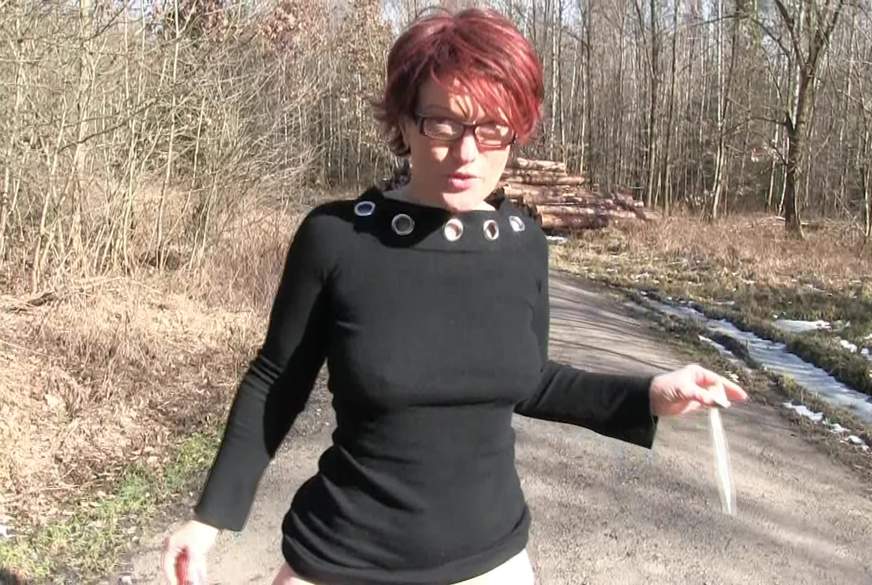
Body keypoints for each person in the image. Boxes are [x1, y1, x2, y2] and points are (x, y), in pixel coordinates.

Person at [161, 7, 748, 585]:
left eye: (491, 128)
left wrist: (648, 395)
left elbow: (529, 379)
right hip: (343, 560)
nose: (468, 153)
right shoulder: (338, 239)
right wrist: (209, 519)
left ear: (516, 131)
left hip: (492, 562)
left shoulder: (522, 244)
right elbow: (276, 381)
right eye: (442, 123)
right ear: (405, 122)